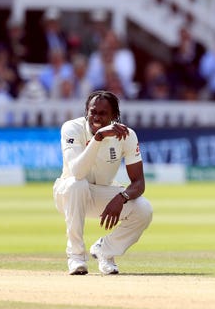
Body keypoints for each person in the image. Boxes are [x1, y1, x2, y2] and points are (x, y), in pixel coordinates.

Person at [53, 90, 153, 275]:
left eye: (103, 113)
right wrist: (98, 137)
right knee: (78, 184)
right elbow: (78, 172)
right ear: (86, 111)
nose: (96, 117)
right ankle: (76, 257)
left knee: (144, 208)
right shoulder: (72, 128)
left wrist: (122, 197)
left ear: (114, 116)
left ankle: (105, 250)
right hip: (67, 194)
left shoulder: (127, 135)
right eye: (93, 112)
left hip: (102, 192)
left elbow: (139, 183)